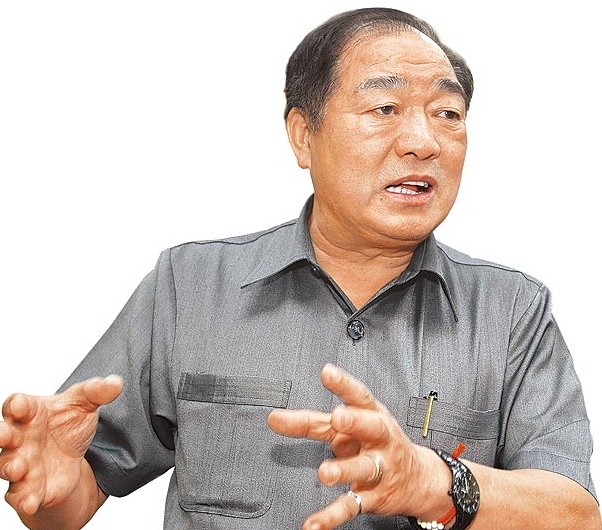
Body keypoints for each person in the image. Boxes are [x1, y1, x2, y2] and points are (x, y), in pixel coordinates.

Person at [0, 6, 600, 529]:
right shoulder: (191, 287)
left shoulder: (511, 311)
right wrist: (51, 490)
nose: (423, 141)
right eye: (385, 107)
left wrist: (436, 482)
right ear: (302, 135)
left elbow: (576, 514)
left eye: (448, 113)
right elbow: (72, 497)